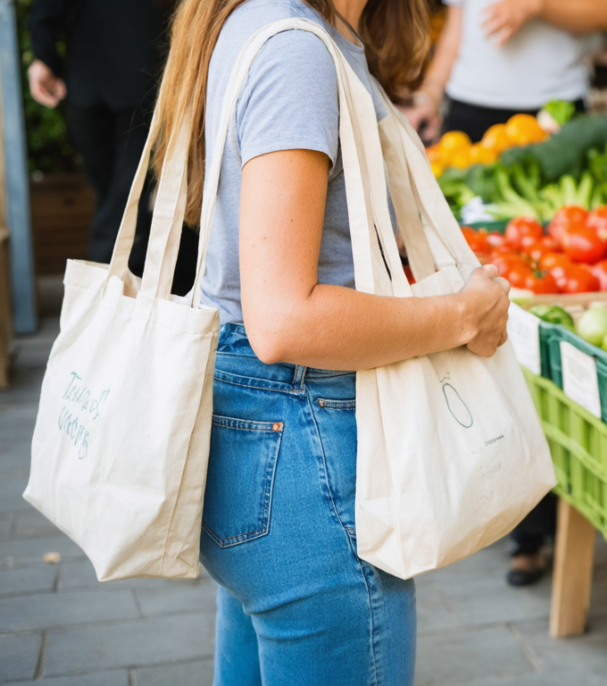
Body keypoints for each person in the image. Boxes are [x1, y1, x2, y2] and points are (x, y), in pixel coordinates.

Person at [153, 0, 511, 682]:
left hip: (262, 447)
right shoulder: (298, 50)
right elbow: (284, 319)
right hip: (306, 451)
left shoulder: (273, 25)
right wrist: (462, 316)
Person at [403, 0, 607, 588]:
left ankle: (533, 527)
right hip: (471, 117)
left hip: (552, 119)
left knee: (537, 317)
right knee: (479, 303)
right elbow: (459, 30)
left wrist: (540, 5)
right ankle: (488, 490)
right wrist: (430, 94)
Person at [26, 0, 189, 279]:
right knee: (119, 196)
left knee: (121, 196)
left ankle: (109, 286)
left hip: (120, 79)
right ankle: (125, 282)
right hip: (123, 76)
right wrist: (45, 56)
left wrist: (45, 55)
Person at [402, 0, 607, 144]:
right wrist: (429, 95)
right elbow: (455, 34)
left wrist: (536, 4)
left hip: (555, 112)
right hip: (468, 113)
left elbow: (604, 13)